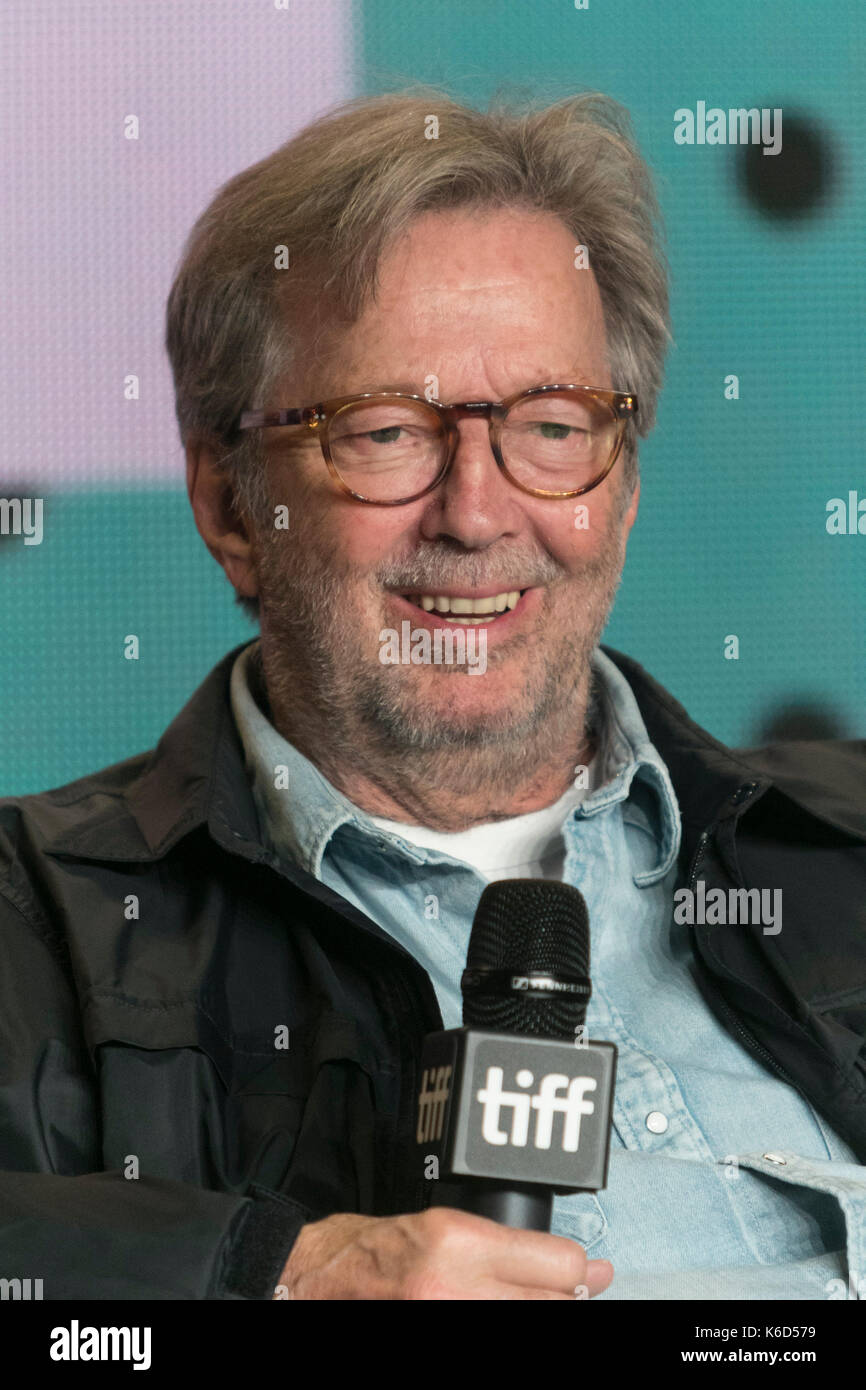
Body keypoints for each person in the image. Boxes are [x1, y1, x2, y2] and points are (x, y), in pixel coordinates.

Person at [2, 90, 865, 1302]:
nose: (474, 512)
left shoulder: (838, 836)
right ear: (232, 504)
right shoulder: (34, 918)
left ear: (619, 491)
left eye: (551, 425)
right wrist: (280, 1273)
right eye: (384, 432)